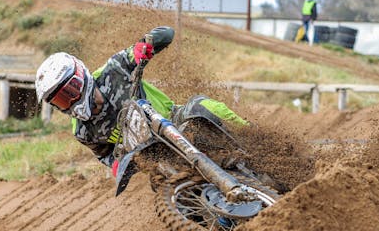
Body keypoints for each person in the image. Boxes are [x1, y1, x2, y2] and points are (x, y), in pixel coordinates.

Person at [35, 26, 247, 192]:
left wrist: (145, 45)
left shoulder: (114, 69)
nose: (70, 100)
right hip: (156, 155)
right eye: (61, 100)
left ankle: (256, 138)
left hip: (177, 120)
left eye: (70, 90)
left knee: (203, 106)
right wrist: (116, 164)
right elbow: (104, 155)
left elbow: (167, 33)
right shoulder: (82, 131)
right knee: (166, 192)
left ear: (81, 75)